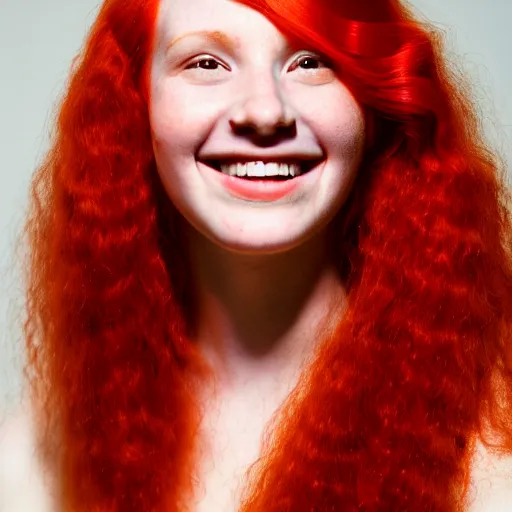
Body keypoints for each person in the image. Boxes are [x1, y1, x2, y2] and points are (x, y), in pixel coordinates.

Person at [9, 0, 512, 510]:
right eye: (206, 64)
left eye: (311, 62)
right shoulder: (23, 468)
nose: (266, 113)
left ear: (372, 106)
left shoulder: (498, 459)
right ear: (136, 101)